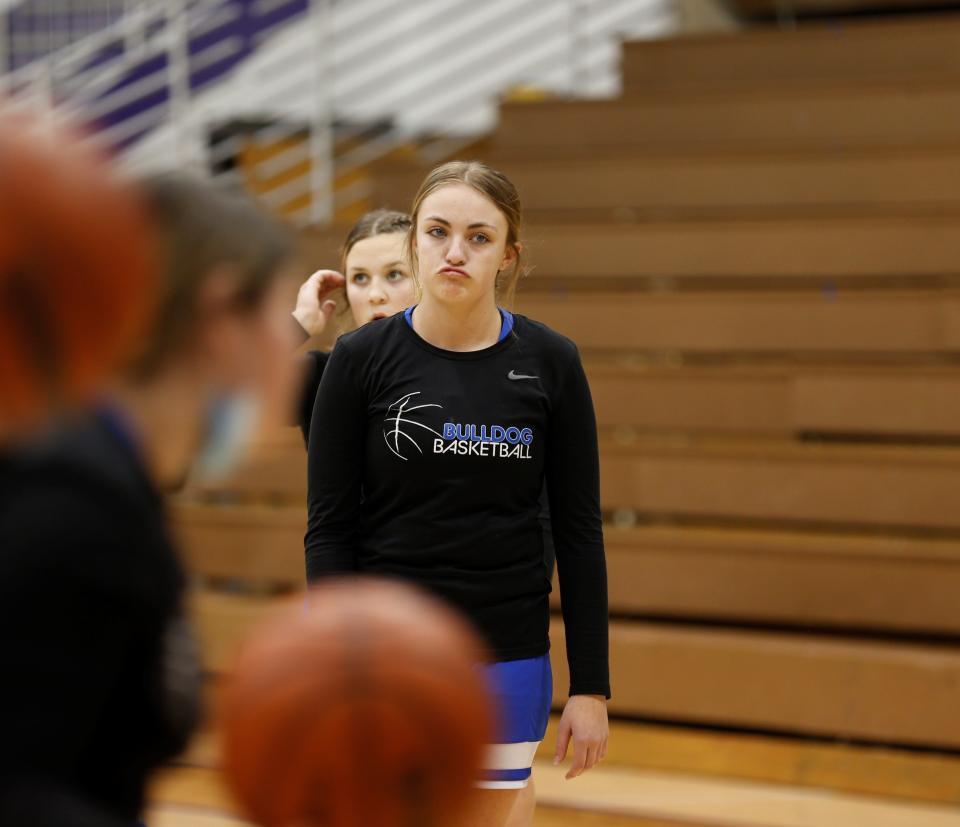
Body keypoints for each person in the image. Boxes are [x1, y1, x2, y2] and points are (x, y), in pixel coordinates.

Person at [304, 160, 609, 827]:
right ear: (415, 242)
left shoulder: (552, 361)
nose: (454, 251)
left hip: (507, 655)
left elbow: (581, 531)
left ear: (507, 255)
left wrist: (591, 686)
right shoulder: (360, 359)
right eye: (438, 231)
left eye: (479, 236)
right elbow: (329, 528)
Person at [0, 174, 300, 827]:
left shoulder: (102, 473)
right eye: (283, 312)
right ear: (221, 315)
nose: (295, 347)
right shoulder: (73, 506)